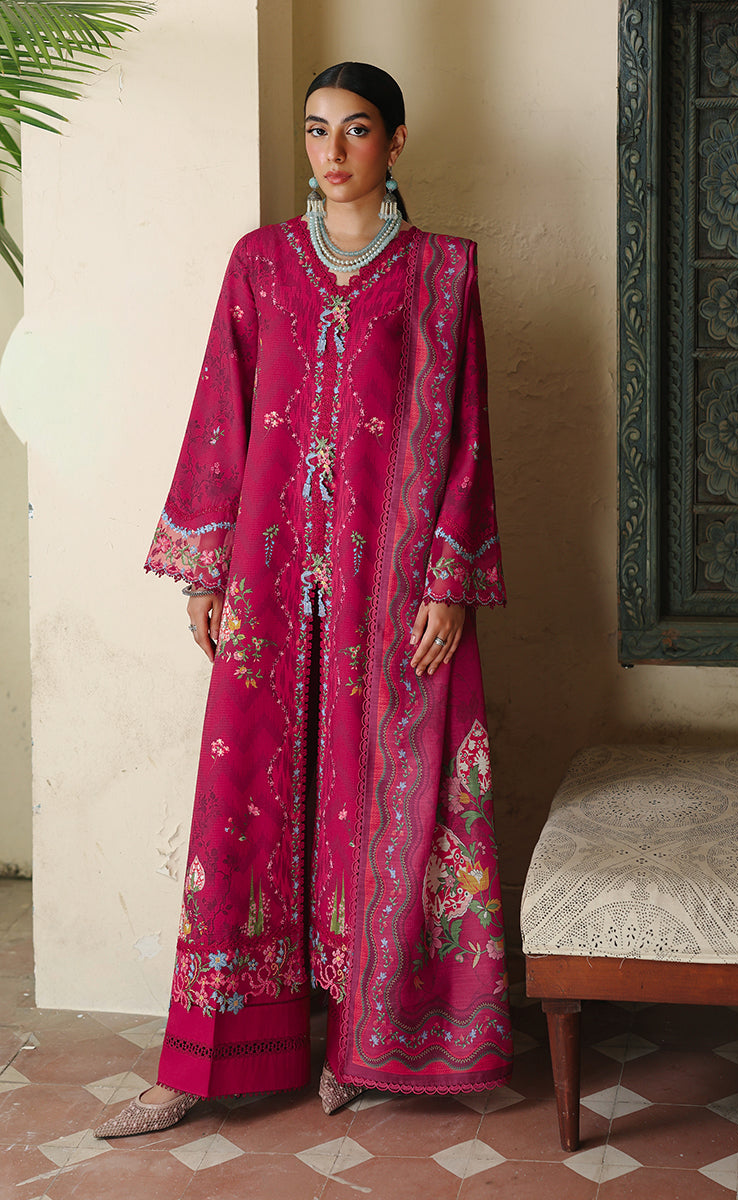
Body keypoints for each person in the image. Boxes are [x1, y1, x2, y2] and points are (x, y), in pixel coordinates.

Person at [95, 61, 511, 1138]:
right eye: (317, 130)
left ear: (395, 143)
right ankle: (216, 1060)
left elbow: (462, 434)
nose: (332, 151)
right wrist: (204, 566)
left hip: (390, 583)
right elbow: (220, 412)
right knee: (245, 806)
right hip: (271, 584)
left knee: (387, 796)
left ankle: (373, 1045)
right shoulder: (261, 264)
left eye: (356, 130)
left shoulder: (439, 273)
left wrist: (448, 583)